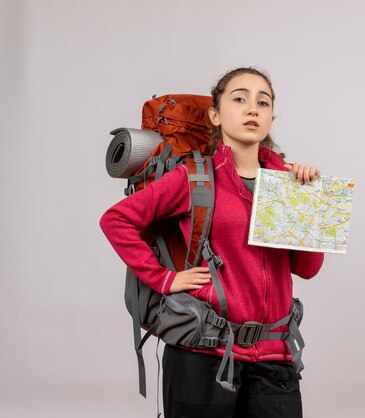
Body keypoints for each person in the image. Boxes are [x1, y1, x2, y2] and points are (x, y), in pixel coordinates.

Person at [100, 67, 324, 418]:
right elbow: (116, 220)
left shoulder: (288, 184)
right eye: (239, 99)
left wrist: (310, 205)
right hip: (203, 353)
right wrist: (164, 279)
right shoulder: (194, 177)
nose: (252, 108)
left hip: (275, 357)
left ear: (270, 117)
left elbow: (307, 269)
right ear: (215, 115)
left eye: (262, 102)